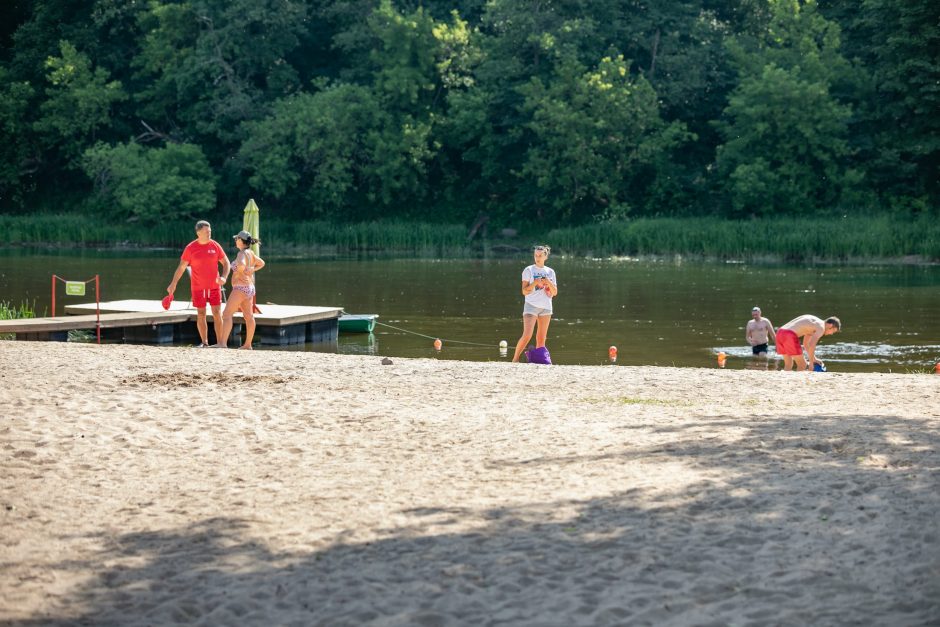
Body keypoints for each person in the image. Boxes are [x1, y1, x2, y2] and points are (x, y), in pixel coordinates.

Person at [166, 220, 230, 347]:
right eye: (206, 231)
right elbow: (181, 267)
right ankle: (205, 342)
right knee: (201, 314)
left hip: (214, 286)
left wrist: (224, 277)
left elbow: (226, 263)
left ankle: (221, 343)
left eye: (210, 231)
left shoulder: (215, 245)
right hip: (198, 287)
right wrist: (173, 283)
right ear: (198, 233)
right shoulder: (190, 248)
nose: (209, 233)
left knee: (217, 313)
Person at [216, 230, 265, 349]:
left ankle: (222, 343)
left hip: (240, 288)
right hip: (249, 287)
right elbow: (262, 263)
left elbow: (242, 264)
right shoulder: (250, 253)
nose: (235, 241)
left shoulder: (241, 254)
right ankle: (247, 345)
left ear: (240, 241)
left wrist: (240, 269)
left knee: (226, 314)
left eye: (236, 239)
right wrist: (252, 269)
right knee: (249, 317)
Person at [512, 245, 558, 363]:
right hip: (531, 306)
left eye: (540, 255)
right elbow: (524, 291)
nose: (537, 258)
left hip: (546, 307)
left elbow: (554, 292)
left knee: (541, 338)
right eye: (536, 255)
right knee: (527, 335)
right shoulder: (528, 270)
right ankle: (515, 359)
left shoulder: (550, 272)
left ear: (545, 256)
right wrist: (535, 283)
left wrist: (548, 282)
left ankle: (538, 361)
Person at [776, 314, 841, 371]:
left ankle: (786, 381)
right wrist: (811, 364)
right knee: (803, 365)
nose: (831, 333)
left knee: (788, 364)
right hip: (789, 335)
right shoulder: (821, 327)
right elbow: (812, 345)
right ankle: (798, 383)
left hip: (780, 333)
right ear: (830, 325)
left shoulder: (814, 323)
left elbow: (806, 344)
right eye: (833, 331)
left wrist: (814, 359)